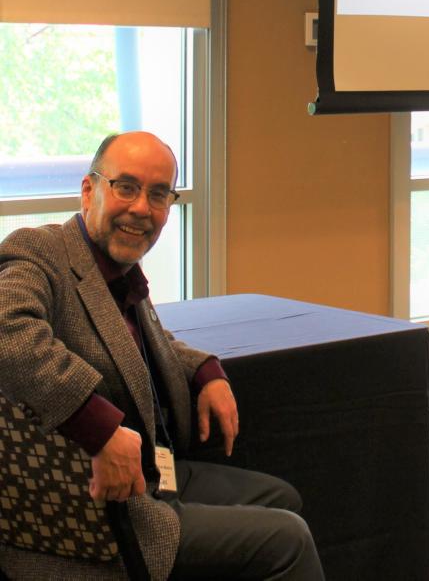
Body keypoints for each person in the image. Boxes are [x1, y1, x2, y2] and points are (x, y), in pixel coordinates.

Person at [0, 131, 324, 580]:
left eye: (158, 194)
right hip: (94, 509)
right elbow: (8, 334)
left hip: (151, 472)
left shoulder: (117, 270)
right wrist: (97, 428)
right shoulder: (40, 252)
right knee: (287, 539)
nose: (140, 208)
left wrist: (206, 370)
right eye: (126, 187)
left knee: (281, 497)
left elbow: (138, 341)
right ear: (89, 189)